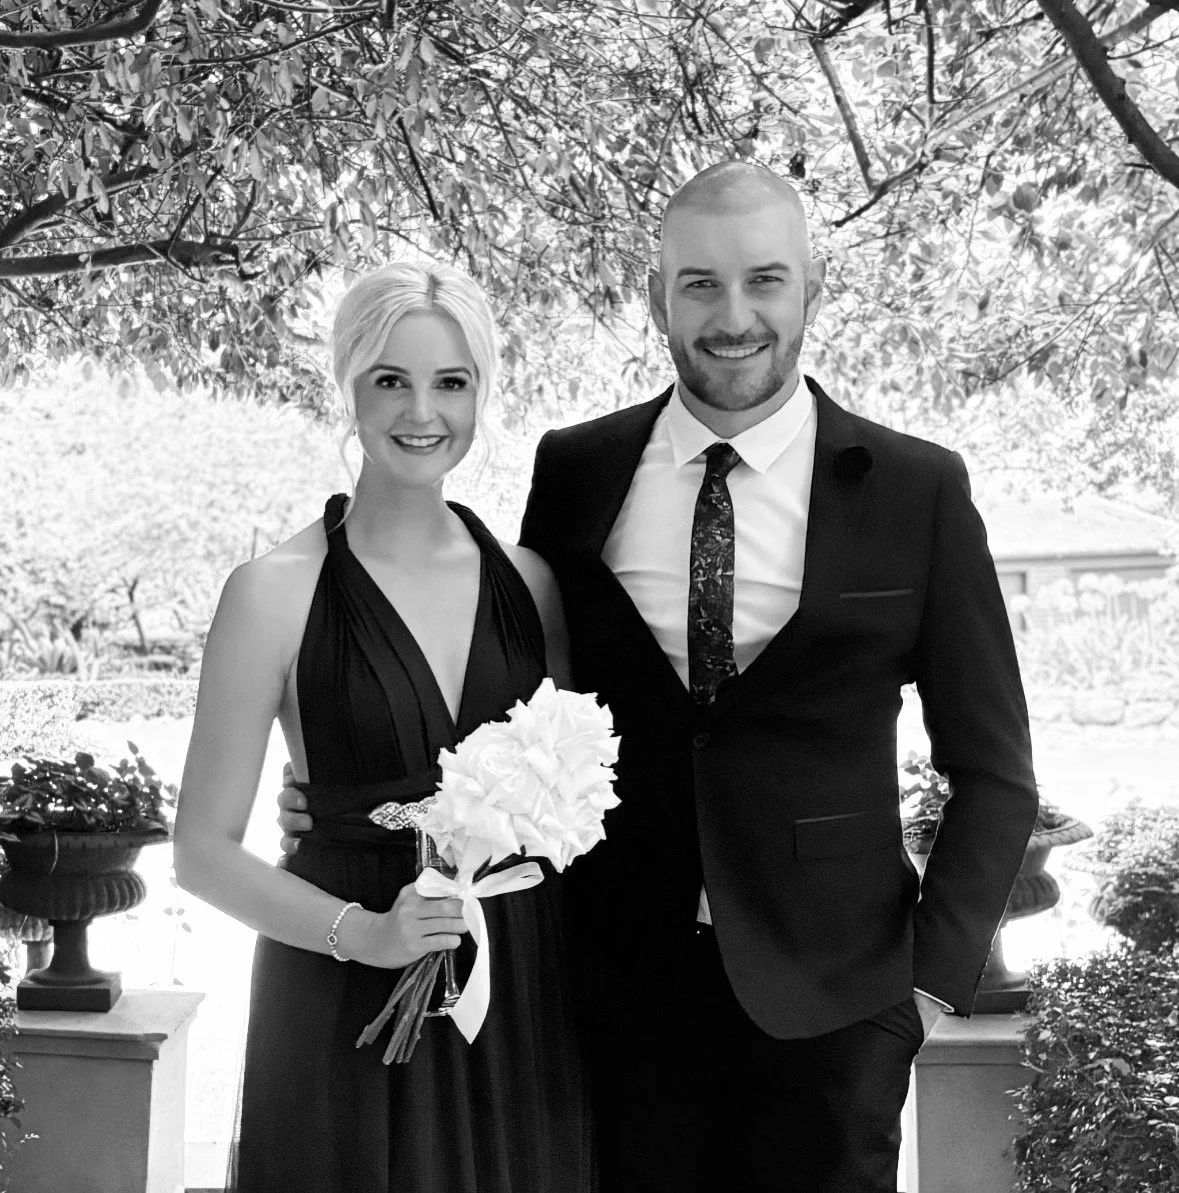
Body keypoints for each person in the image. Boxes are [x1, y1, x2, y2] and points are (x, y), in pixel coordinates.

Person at [279, 163, 1039, 1193]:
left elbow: (993, 769)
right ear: (657, 297)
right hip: (610, 997)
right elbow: (526, 700)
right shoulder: (578, 468)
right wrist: (370, 794)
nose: (734, 317)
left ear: (812, 291)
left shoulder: (918, 489)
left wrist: (928, 986)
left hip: (838, 1007)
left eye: (765, 281)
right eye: (700, 285)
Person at [174, 261, 591, 1193]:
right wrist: (362, 932)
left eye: (451, 382)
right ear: (347, 384)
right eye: (390, 379)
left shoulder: (529, 585)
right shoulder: (272, 593)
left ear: (481, 392)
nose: (421, 411)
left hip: (516, 986)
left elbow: (572, 789)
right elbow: (200, 850)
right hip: (341, 990)